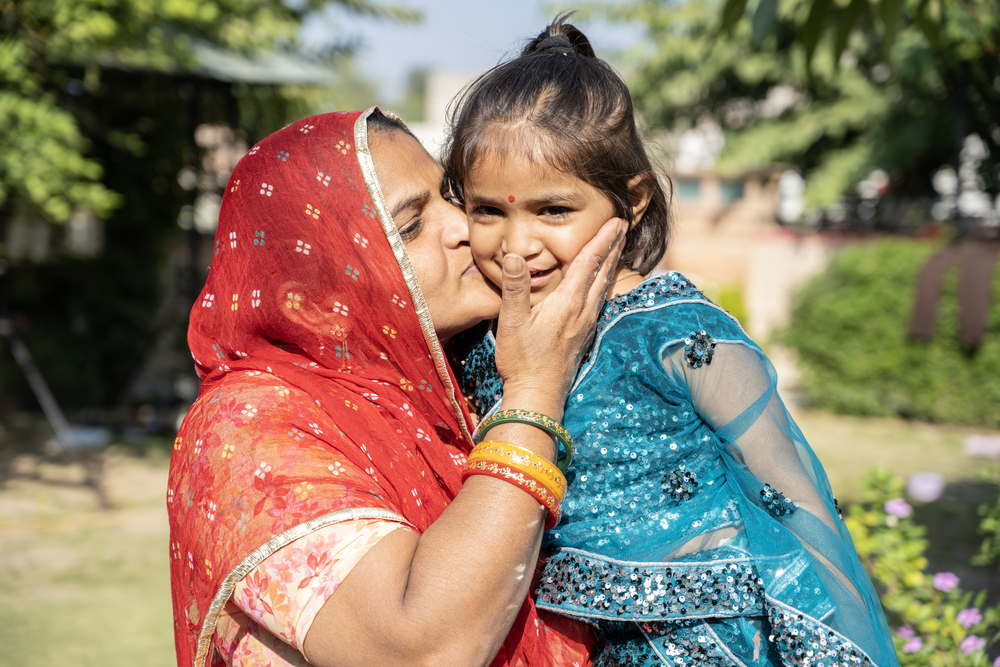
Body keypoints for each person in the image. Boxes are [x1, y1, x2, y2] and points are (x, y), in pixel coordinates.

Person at [446, 16, 901, 667]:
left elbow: (796, 508)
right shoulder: (480, 344)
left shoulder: (677, 332)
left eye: (552, 211)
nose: (516, 246)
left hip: (718, 647)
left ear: (630, 200)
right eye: (489, 210)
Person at [168, 107, 630, 667]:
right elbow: (416, 651)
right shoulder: (244, 424)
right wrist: (534, 390)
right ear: (312, 306)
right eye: (411, 225)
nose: (464, 227)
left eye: (450, 195)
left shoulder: (460, 376)